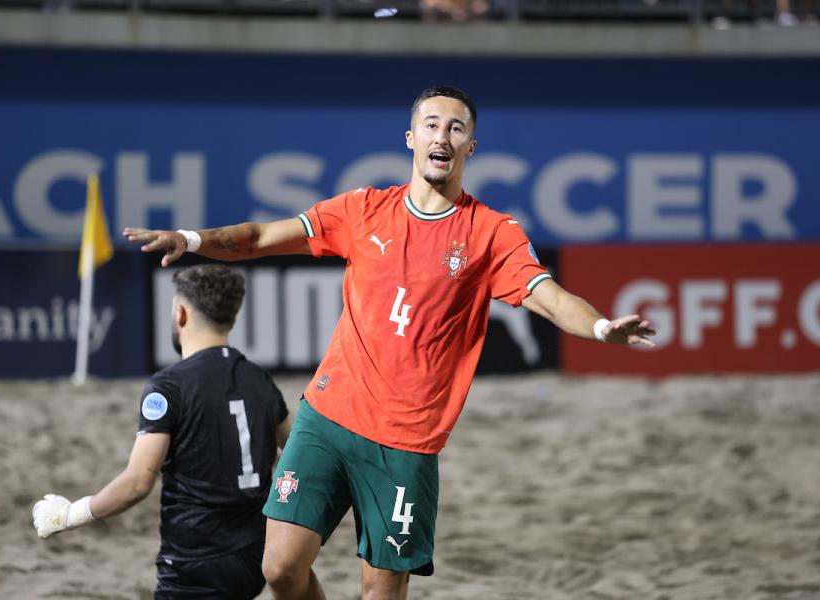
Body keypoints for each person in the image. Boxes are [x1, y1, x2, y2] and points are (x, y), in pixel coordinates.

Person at [124, 85, 655, 600]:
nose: (442, 136)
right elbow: (261, 237)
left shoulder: (491, 233)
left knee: (380, 591)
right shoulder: (363, 209)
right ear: (411, 138)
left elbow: (550, 297)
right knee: (279, 568)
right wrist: (190, 239)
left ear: (471, 146)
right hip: (328, 419)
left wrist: (600, 327)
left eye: (456, 129)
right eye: (432, 125)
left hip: (406, 443)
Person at [32, 264, 292, 600]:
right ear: (233, 319)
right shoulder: (259, 380)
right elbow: (297, 452)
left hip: (195, 561)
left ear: (181, 314)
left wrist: (69, 515)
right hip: (253, 560)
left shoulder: (169, 386)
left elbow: (137, 483)